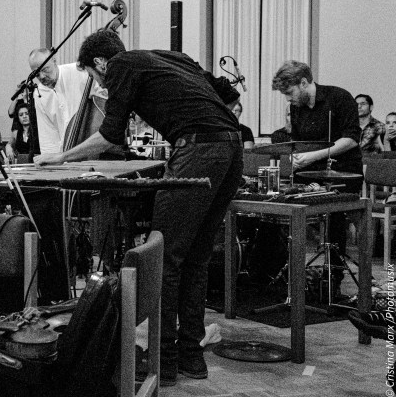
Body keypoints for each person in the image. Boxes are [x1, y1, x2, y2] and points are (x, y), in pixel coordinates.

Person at [34, 29, 242, 387]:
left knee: (164, 257)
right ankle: (191, 358)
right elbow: (229, 94)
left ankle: (164, 362)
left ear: (100, 62)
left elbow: (109, 135)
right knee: (195, 257)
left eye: (94, 76)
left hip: (198, 150)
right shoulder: (171, 57)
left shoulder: (120, 66)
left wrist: (61, 157)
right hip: (233, 147)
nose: (100, 84)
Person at [272, 60, 363, 290]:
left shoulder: (340, 98)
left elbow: (351, 139)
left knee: (335, 218)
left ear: (304, 83)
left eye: (290, 93)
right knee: (281, 200)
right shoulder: (297, 107)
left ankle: (334, 276)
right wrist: (296, 156)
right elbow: (299, 142)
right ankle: (282, 270)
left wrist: (313, 156)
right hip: (311, 170)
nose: (288, 99)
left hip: (343, 171)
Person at [27, 48, 107, 154]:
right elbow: (47, 135)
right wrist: (52, 160)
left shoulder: (79, 71)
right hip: (65, 152)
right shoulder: (39, 93)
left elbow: (104, 92)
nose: (42, 76)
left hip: (91, 147)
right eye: (36, 74)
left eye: (45, 69)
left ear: (54, 60)